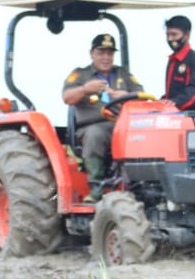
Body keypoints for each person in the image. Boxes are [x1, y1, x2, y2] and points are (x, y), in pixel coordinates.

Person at [62, 33, 145, 202]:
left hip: (122, 125)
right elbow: (67, 97)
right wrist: (85, 89)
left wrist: (127, 95)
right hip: (92, 127)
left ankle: (141, 186)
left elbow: (141, 95)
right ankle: (96, 188)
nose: (106, 57)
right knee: (96, 134)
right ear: (92, 53)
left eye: (110, 53)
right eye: (101, 53)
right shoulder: (81, 75)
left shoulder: (123, 74)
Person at [162, 15, 195, 112]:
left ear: (186, 35)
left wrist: (175, 102)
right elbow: (171, 93)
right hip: (176, 115)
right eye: (168, 35)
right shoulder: (173, 60)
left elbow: (194, 91)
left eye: (174, 35)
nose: (170, 39)